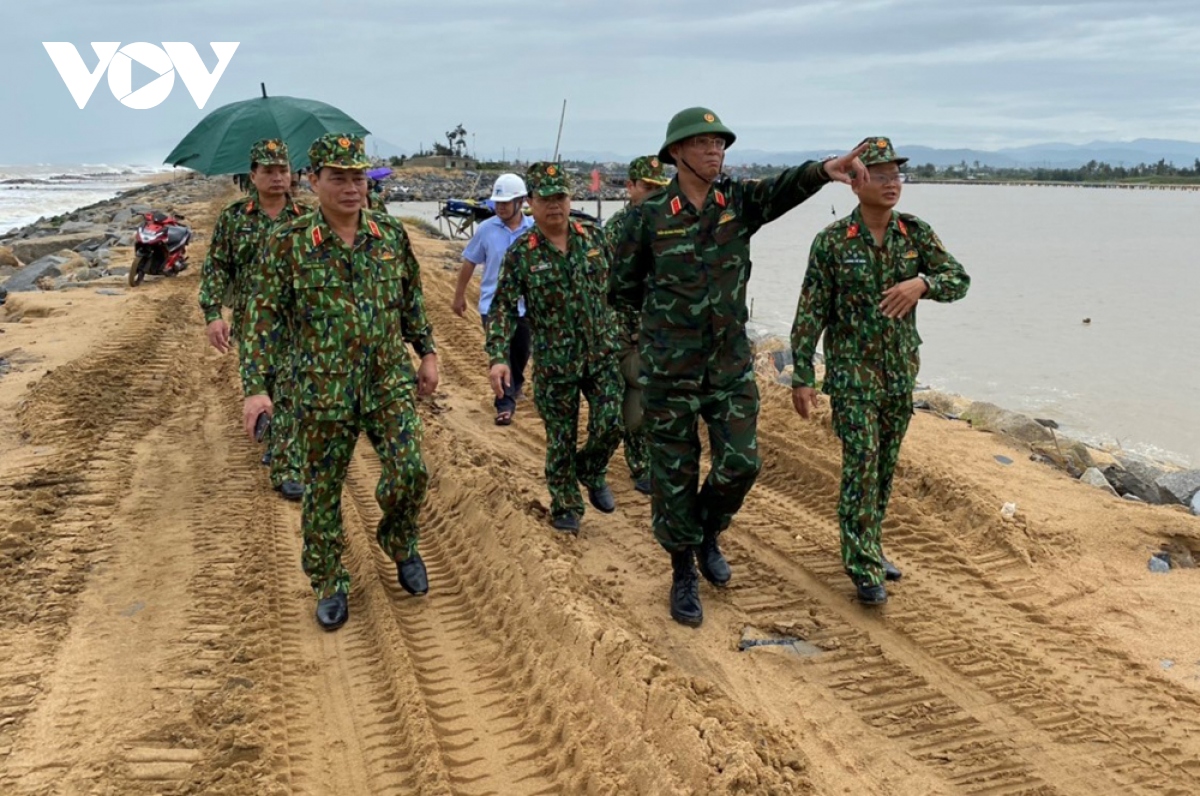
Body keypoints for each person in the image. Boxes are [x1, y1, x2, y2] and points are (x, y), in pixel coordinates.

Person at [611, 107, 869, 627]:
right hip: (671, 372)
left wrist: (824, 170)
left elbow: (782, 191)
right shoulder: (647, 217)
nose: (715, 151)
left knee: (742, 463)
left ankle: (707, 530)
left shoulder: (739, 203)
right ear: (677, 153)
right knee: (674, 474)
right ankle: (683, 568)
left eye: (720, 144)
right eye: (704, 143)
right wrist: (663, 331)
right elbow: (622, 288)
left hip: (728, 366)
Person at [240, 133, 439, 631]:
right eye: (339, 178)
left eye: (358, 177)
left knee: (411, 471)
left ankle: (398, 541)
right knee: (324, 491)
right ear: (314, 181)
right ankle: (329, 581)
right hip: (321, 387)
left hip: (387, 380)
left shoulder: (390, 235)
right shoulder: (288, 243)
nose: (352, 188)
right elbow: (261, 319)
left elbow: (411, 300)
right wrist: (256, 387)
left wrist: (428, 352)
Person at [790, 137, 970, 605]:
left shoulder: (915, 234)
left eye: (896, 175)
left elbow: (959, 280)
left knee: (885, 468)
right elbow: (811, 312)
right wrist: (803, 376)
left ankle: (870, 543)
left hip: (899, 374)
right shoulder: (831, 242)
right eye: (881, 174)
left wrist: (922, 283)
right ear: (854, 181)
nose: (892, 183)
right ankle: (863, 564)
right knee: (862, 464)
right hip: (852, 378)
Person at [487, 162, 622, 534]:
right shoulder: (522, 254)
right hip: (554, 362)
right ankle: (566, 504)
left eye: (560, 196)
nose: (554, 206)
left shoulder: (595, 238)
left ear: (570, 197)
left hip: (602, 356)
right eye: (545, 198)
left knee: (613, 423)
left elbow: (621, 290)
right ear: (530, 202)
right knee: (561, 437)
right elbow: (501, 307)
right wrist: (499, 356)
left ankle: (592, 470)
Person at [199, 138, 306, 501]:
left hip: (297, 321)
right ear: (253, 175)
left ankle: (286, 461)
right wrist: (213, 314)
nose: (278, 178)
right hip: (251, 321)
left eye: (283, 171)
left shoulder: (307, 219)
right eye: (269, 171)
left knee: (292, 385)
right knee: (260, 385)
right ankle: (277, 439)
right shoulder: (234, 218)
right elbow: (216, 266)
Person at [603, 156, 671, 495]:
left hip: (653, 328)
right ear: (630, 187)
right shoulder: (616, 229)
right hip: (617, 327)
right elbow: (604, 283)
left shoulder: (671, 227)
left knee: (643, 404)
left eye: (660, 188)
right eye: (647, 187)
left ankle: (642, 464)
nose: (653, 193)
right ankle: (596, 464)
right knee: (613, 408)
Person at [453, 173, 534, 425]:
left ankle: (515, 385)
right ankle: (504, 402)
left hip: (526, 306)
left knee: (521, 352)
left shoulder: (534, 229)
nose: (500, 206)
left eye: (506, 202)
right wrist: (459, 296)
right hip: (494, 306)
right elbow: (469, 262)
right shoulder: (486, 229)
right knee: (500, 353)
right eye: (497, 202)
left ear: (520, 201)